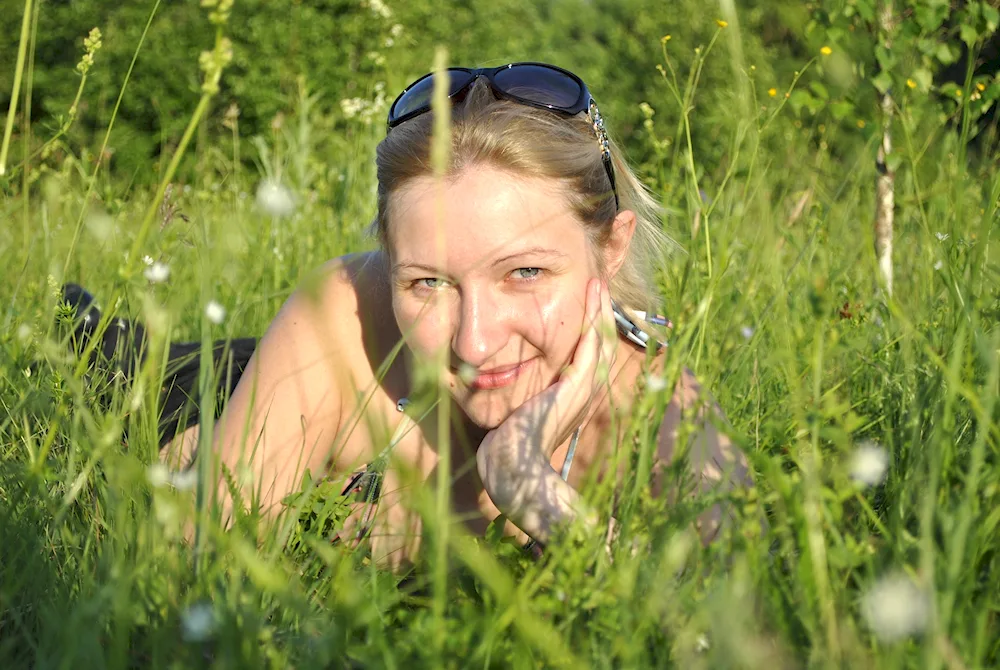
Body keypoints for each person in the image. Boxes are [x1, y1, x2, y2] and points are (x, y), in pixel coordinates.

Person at [64, 62, 753, 569]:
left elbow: (717, 623)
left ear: (610, 250)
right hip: (209, 390)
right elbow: (184, 561)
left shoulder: (667, 416)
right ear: (387, 261)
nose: (475, 342)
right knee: (108, 368)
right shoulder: (342, 307)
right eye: (427, 283)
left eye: (526, 273)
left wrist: (526, 488)